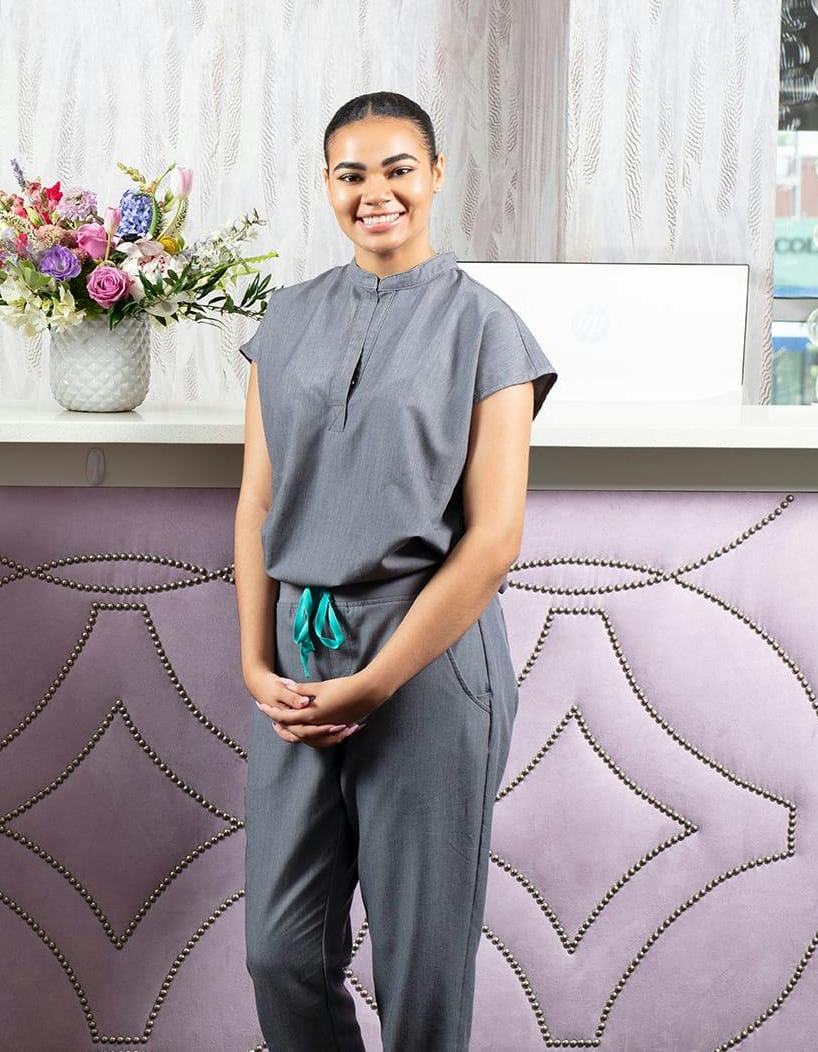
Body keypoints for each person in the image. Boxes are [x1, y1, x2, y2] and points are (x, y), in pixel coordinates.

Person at [236, 91, 556, 1051]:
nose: (376, 192)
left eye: (398, 168)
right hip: (299, 652)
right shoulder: (284, 321)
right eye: (352, 173)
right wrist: (255, 662)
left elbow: (494, 539)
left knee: (419, 970)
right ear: (327, 186)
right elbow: (256, 503)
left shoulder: (487, 328)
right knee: (280, 954)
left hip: (429, 661)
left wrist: (378, 679)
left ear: (437, 173)